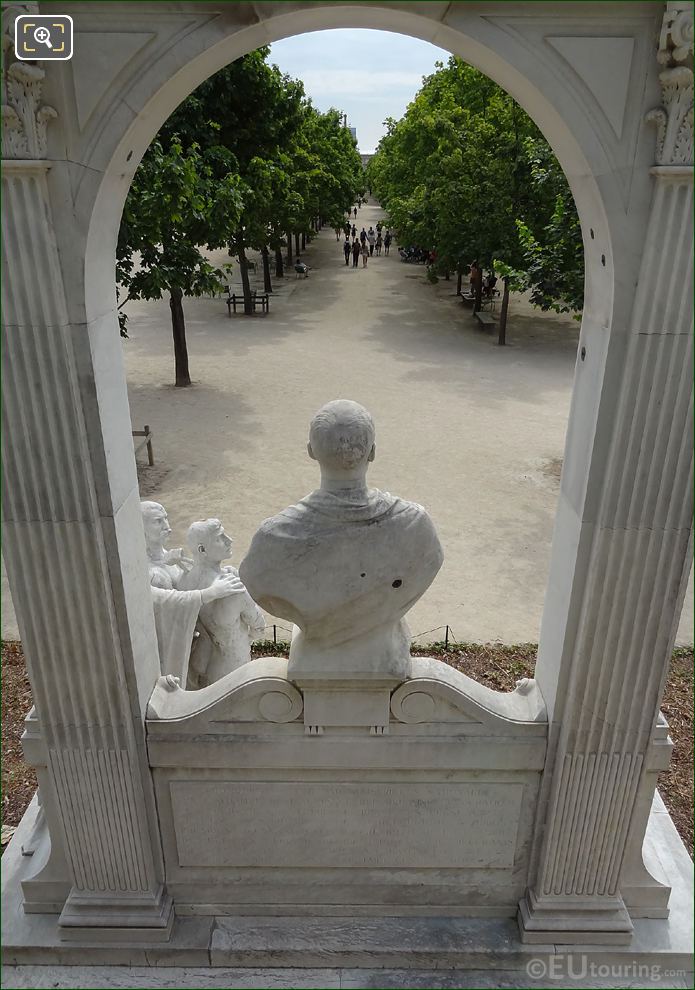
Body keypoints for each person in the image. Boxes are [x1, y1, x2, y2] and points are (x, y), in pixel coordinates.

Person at [239, 400, 443, 681]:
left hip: (316, 655)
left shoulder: (271, 539)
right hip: (382, 653)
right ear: (372, 452)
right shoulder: (416, 526)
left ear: (310, 452)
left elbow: (254, 580)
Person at [141, 501, 243, 681]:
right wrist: (210, 592)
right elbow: (167, 602)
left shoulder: (169, 557)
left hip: (201, 642)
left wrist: (206, 571)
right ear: (139, 527)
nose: (167, 526)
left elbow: (189, 583)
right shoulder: (150, 573)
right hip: (179, 648)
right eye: (158, 521)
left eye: (166, 519)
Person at [179, 519, 266, 687]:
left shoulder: (184, 582)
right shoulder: (232, 589)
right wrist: (244, 640)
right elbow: (259, 627)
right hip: (234, 664)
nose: (230, 540)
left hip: (202, 662)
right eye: (220, 537)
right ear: (202, 550)